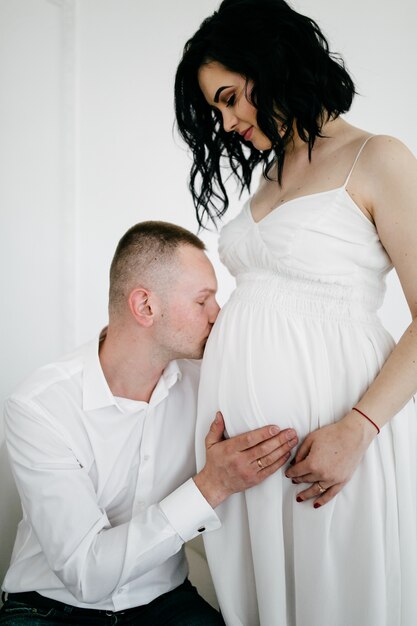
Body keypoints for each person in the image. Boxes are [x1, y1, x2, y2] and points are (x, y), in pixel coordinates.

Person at [174, 1, 417, 625]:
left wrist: (357, 429)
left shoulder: (378, 157)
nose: (225, 122)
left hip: (334, 441)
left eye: (230, 97)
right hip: (247, 468)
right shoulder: (273, 176)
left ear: (270, 62)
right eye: (216, 109)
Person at [0, 221, 298, 626]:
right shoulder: (41, 406)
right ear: (145, 306)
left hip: (166, 604)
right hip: (51, 609)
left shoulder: (207, 385)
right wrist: (212, 485)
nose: (219, 315)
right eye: (202, 301)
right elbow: (86, 574)